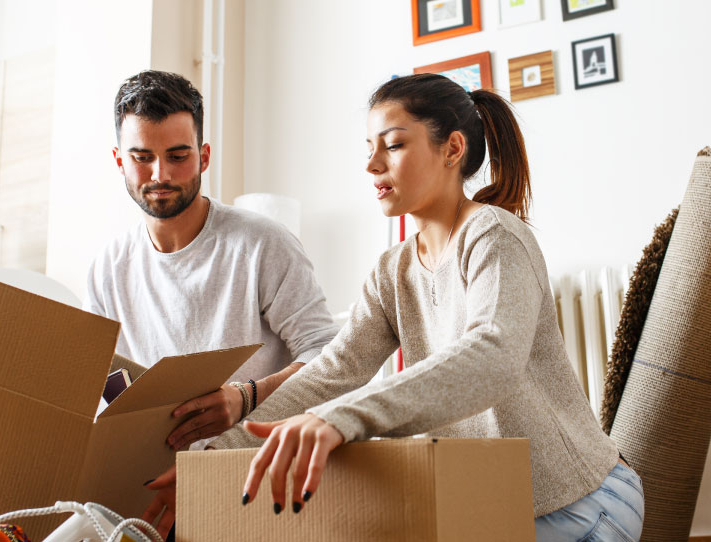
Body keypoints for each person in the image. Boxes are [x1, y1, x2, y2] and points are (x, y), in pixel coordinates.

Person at [145, 74, 645, 541]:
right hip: (493, 504)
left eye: (395, 145)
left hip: (583, 504)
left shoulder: (493, 235)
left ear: (452, 149)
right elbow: (332, 373)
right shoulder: (393, 271)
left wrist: (341, 418)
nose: (372, 165)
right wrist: (208, 463)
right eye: (369, 149)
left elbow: (493, 355)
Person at [85, 70, 338, 533]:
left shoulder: (261, 244)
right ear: (119, 159)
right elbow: (100, 381)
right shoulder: (108, 266)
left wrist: (246, 397)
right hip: (153, 492)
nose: (160, 175)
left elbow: (333, 359)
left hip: (254, 482)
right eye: (142, 157)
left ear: (203, 156)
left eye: (177, 156)